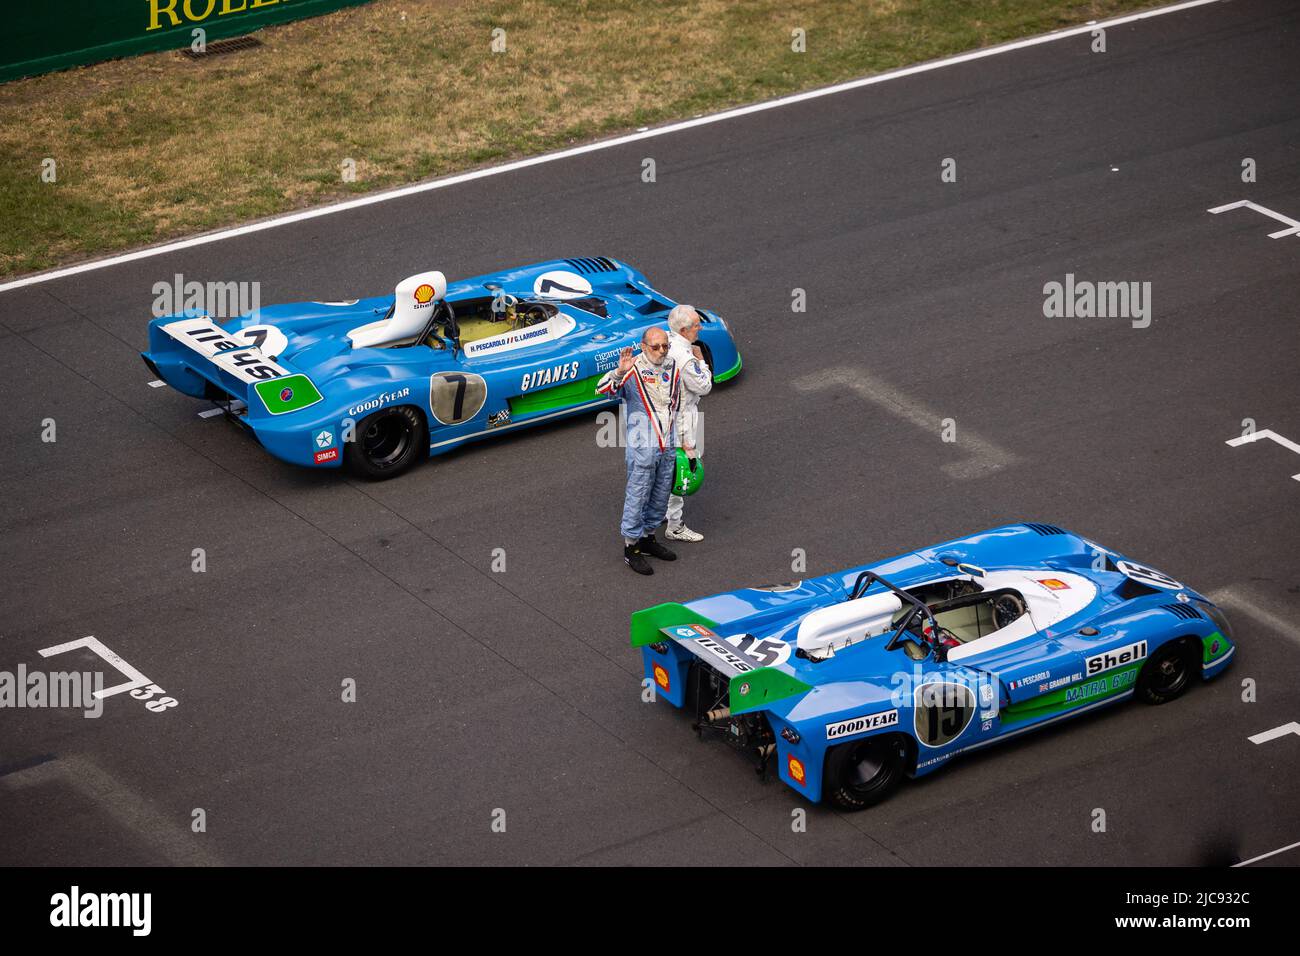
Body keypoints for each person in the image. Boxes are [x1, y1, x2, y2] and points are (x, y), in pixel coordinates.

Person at [596, 326, 681, 575]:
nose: (661, 351)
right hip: (643, 445)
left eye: (665, 346)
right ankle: (631, 547)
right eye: (655, 346)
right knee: (639, 494)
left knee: (662, 492)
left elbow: (677, 404)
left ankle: (648, 539)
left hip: (668, 442)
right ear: (643, 347)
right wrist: (619, 372)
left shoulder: (673, 366)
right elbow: (603, 391)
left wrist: (687, 440)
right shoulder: (630, 368)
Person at [664, 304, 712, 542]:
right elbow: (704, 386)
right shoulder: (686, 358)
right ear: (684, 330)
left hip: (661, 417)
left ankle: (660, 511)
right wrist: (702, 362)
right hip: (684, 419)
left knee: (664, 468)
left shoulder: (664, 344)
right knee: (683, 470)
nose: (699, 327)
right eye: (695, 325)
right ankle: (675, 525)